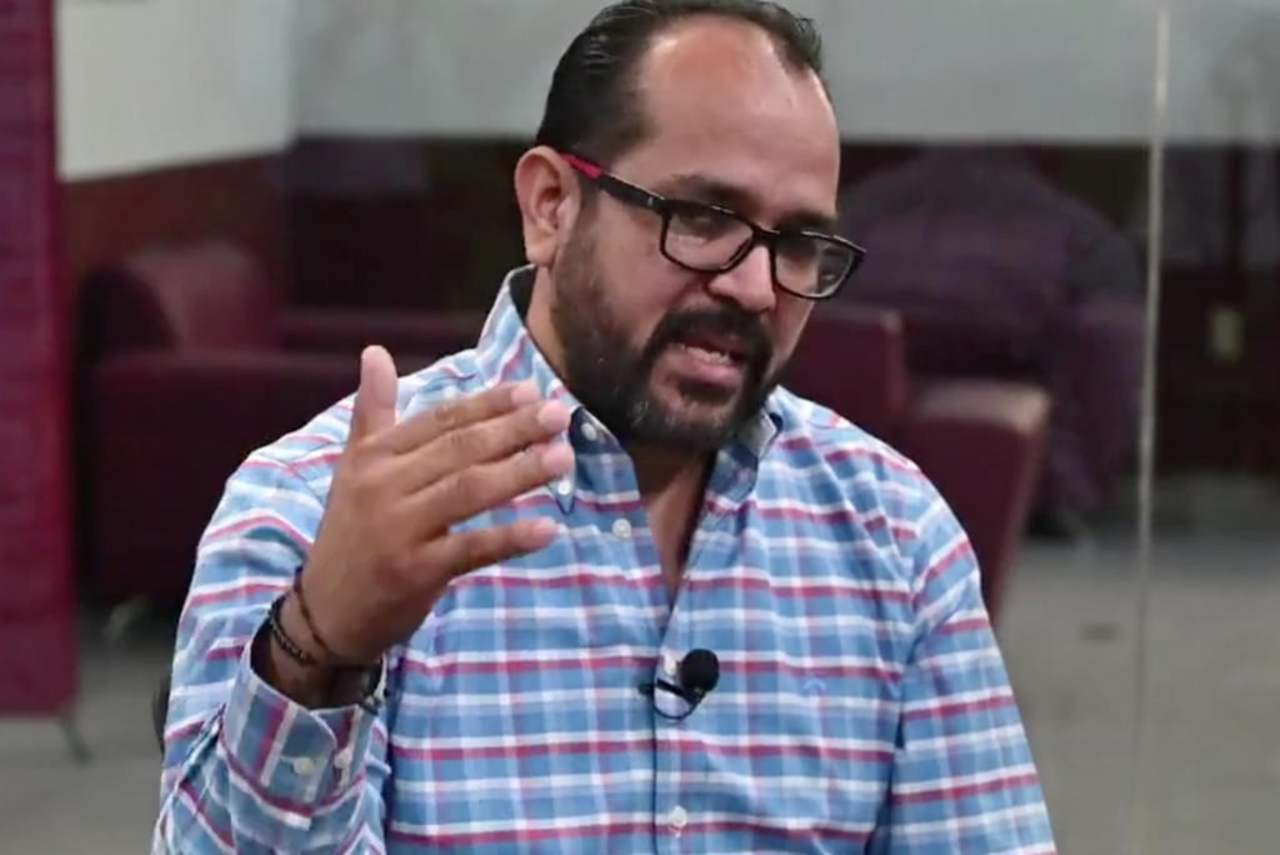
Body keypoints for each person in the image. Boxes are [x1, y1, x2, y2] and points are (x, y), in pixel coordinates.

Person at [156, 2, 1056, 851]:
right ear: (551, 205)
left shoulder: (893, 535)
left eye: (796, 244)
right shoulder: (313, 508)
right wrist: (319, 650)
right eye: (703, 218)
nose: (755, 288)